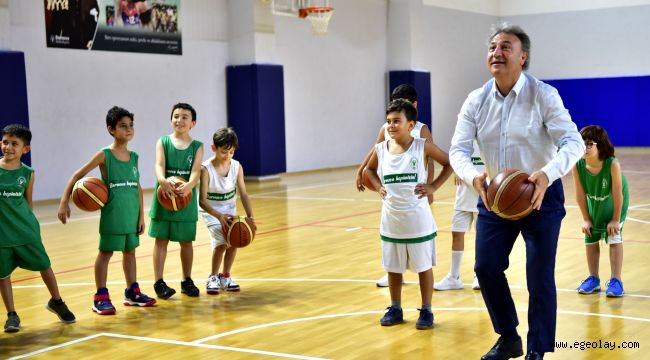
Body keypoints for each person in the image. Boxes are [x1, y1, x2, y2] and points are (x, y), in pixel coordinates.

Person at [449, 23, 585, 360]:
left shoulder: (543, 94)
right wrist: (472, 176)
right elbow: (457, 150)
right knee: (486, 267)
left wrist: (547, 174)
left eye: (506, 47)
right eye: (493, 47)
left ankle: (537, 349)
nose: (497, 52)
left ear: (522, 57)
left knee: (539, 276)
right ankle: (509, 337)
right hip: (495, 195)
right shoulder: (476, 100)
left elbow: (574, 142)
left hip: (541, 195)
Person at [57, 106, 155, 315]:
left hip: (130, 213)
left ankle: (132, 292)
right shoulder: (105, 155)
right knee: (105, 253)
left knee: (130, 252)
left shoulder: (134, 156)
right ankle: (100, 296)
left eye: (130, 126)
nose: (128, 130)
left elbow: (137, 186)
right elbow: (76, 175)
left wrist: (141, 215)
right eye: (122, 126)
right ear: (111, 129)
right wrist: (64, 201)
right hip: (113, 214)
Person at [366, 99, 452, 330]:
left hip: (418, 220)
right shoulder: (381, 149)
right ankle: (395, 307)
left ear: (411, 124)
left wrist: (433, 187)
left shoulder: (422, 146)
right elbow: (368, 170)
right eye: (388, 122)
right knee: (393, 269)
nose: (391, 126)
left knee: (423, 267)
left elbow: (449, 163)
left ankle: (426, 310)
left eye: (397, 121)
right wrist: (377, 186)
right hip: (391, 220)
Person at [355, 84, 435, 288]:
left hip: (415, 189)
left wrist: (430, 185)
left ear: (414, 106)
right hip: (393, 187)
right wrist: (362, 169)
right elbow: (375, 149)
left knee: (416, 234)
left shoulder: (421, 129)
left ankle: (417, 274)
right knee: (393, 231)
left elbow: (431, 159)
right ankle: (393, 271)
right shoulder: (386, 128)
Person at [1, 124, 76, 333]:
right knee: (3, 275)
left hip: (26, 230)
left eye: (14, 144)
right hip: (2, 234)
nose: (8, 147)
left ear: (25, 149)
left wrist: (31, 226)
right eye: (5, 142)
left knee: (45, 265)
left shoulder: (28, 173)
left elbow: (28, 202)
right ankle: (12, 315)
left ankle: (57, 301)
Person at [150, 103, 204, 299]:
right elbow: (158, 165)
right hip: (164, 196)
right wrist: (163, 181)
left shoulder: (197, 146)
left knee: (186, 242)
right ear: (171, 120)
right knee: (161, 240)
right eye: (176, 116)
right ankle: (159, 282)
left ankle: (186, 280)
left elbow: (196, 171)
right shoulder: (162, 142)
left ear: (193, 123)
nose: (179, 120)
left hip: (185, 198)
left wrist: (189, 185)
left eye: (184, 117)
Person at [198, 128, 256, 294]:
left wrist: (250, 216)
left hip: (229, 210)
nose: (228, 155)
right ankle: (213, 277)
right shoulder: (206, 169)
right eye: (224, 152)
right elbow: (202, 201)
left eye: (231, 152)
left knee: (234, 241)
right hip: (211, 212)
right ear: (213, 148)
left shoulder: (237, 166)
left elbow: (243, 193)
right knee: (222, 242)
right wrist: (218, 216)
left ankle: (226, 276)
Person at [573, 125, 628, 298]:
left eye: (590, 144)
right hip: (594, 201)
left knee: (614, 235)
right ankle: (594, 278)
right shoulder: (578, 165)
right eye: (583, 143)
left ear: (601, 145)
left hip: (615, 203)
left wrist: (615, 219)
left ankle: (616, 280)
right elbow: (580, 194)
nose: (585, 147)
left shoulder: (612, 164)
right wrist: (586, 218)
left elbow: (618, 194)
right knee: (590, 235)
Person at [434, 141, 482, 291]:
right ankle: (454, 277)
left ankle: (479, 275)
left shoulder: (491, 138)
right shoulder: (465, 140)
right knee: (456, 234)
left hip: (483, 195)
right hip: (463, 195)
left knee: (481, 238)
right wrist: (457, 170)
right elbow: (455, 158)